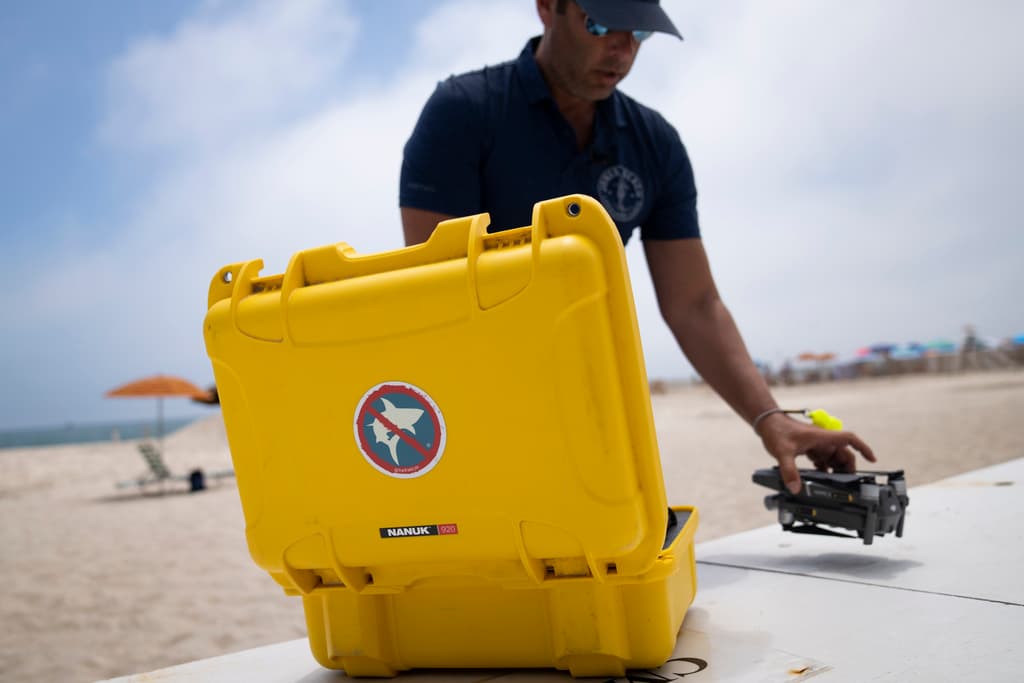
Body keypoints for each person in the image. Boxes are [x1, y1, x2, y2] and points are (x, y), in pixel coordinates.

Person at [399, 0, 875, 493]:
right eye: (600, 24)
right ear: (546, 8)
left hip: (591, 400)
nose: (622, 50)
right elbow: (441, 292)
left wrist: (770, 418)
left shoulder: (655, 144)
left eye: (640, 33)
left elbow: (695, 305)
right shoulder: (464, 111)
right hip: (470, 407)